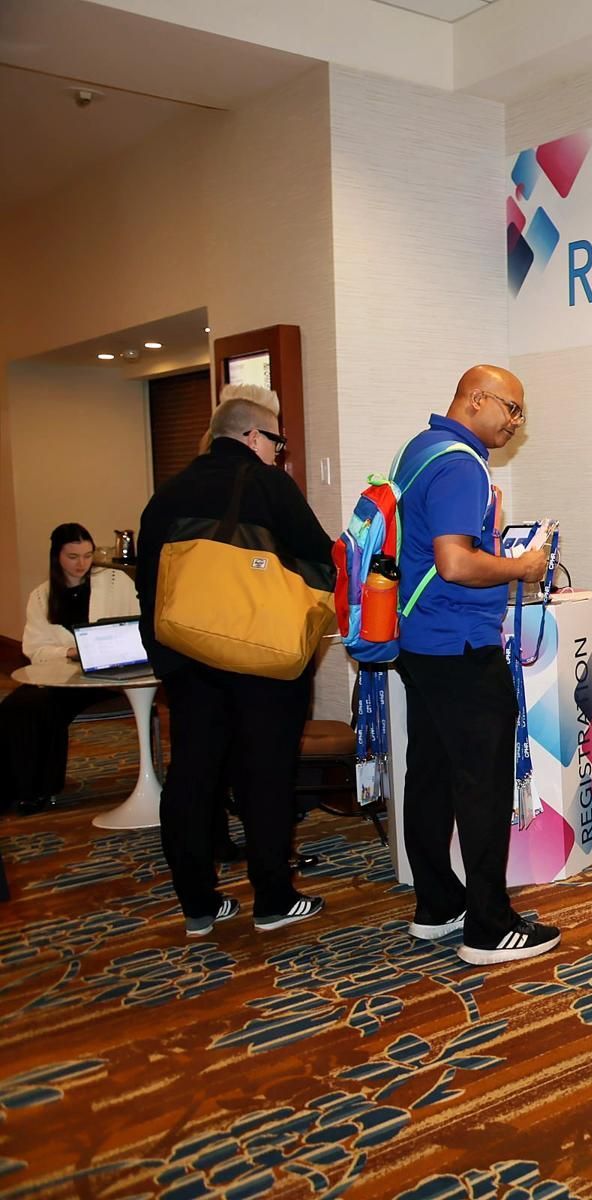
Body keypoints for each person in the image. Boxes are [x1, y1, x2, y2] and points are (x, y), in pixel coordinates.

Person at [138, 384, 334, 937]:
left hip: (187, 657)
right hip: (261, 662)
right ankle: (272, 898)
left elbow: (148, 589)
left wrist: (167, 659)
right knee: (265, 774)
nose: (279, 451)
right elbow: (320, 562)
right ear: (253, 436)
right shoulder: (271, 486)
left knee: (192, 777)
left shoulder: (167, 495)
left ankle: (199, 905)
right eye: (277, 440)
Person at [393, 365, 557, 966]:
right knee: (481, 785)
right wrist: (522, 567)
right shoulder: (462, 464)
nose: (516, 424)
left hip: (421, 643)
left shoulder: (420, 449)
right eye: (511, 409)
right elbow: (457, 564)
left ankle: (438, 905)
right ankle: (489, 926)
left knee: (430, 775)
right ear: (477, 398)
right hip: (462, 646)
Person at [0, 523, 140, 816]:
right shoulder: (42, 595)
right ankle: (15, 788)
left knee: (44, 707)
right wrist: (68, 651)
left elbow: (135, 629)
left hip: (106, 677)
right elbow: (34, 649)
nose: (82, 564)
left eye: (88, 556)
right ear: (57, 557)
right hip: (62, 676)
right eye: (73, 557)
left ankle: (38, 790)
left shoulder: (116, 582)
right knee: (16, 706)